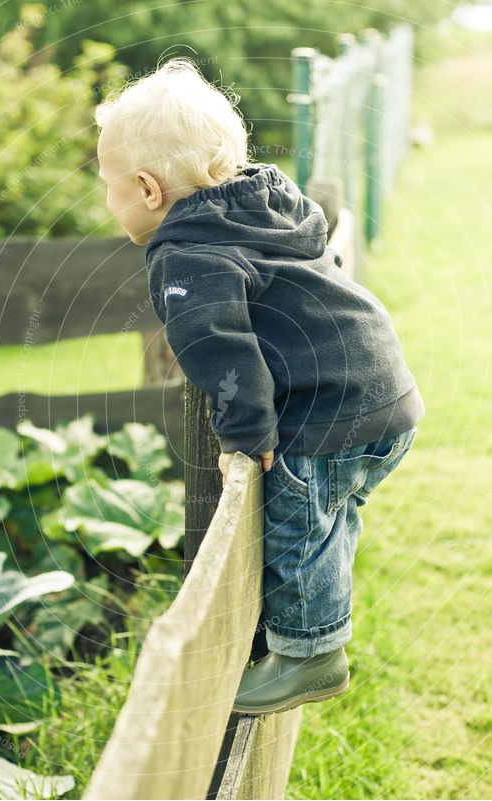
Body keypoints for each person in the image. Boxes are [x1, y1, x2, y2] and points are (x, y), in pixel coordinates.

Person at [95, 57, 425, 716]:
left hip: (331, 414)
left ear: (147, 188)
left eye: (108, 186)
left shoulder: (185, 256)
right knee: (328, 514)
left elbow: (223, 355)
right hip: (384, 397)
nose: (108, 201)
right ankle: (308, 633)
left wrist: (243, 437)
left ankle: (310, 654)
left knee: (295, 526)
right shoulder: (264, 208)